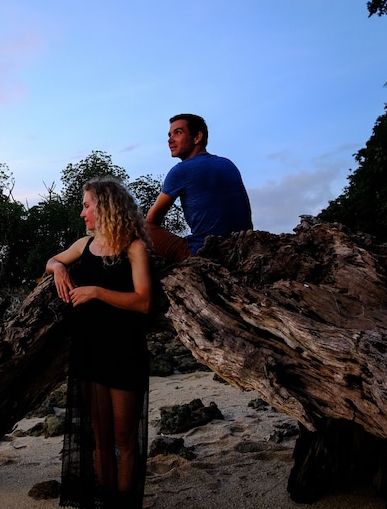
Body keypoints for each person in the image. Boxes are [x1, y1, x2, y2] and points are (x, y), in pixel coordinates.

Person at [47, 177, 152, 509]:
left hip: (124, 351)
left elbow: (143, 301)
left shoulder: (133, 247)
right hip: (89, 350)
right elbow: (52, 260)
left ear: (105, 208)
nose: (82, 213)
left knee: (125, 440)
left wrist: (96, 292)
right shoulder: (84, 245)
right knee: (100, 439)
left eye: (87, 206)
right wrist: (58, 268)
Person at [147, 113, 252, 262]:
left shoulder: (180, 170)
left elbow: (152, 219)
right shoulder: (228, 164)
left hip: (203, 252)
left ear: (197, 137)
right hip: (242, 249)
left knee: (138, 227)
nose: (170, 140)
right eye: (169, 135)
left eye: (178, 133)